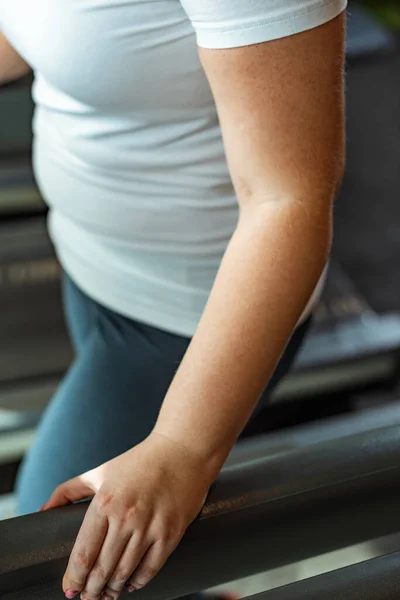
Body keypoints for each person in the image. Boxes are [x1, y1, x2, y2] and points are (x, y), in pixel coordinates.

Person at [0, 1, 346, 599]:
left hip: (190, 313)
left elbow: (287, 200)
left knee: (44, 567)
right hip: (92, 266)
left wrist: (181, 450)